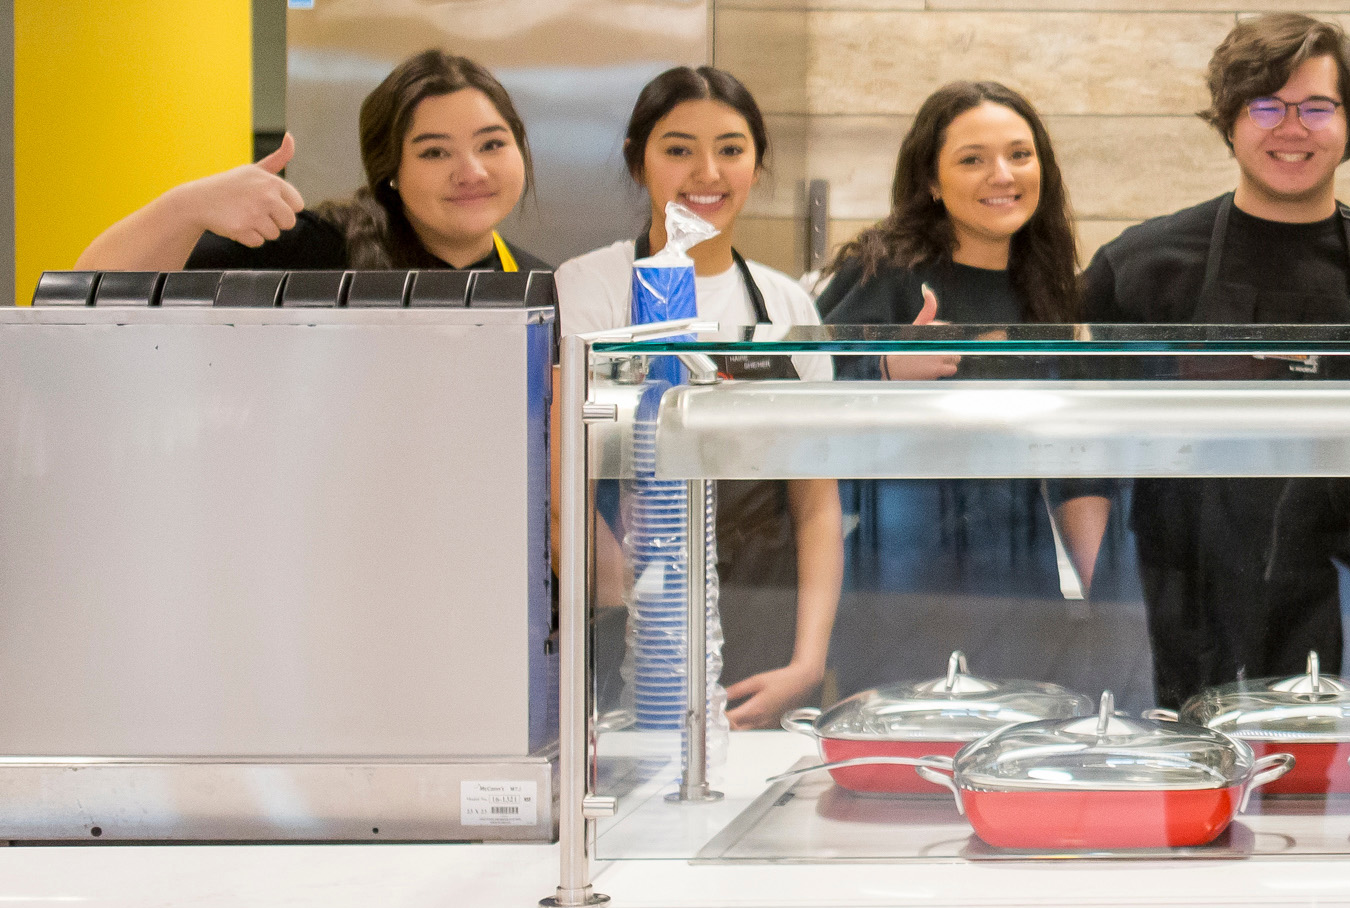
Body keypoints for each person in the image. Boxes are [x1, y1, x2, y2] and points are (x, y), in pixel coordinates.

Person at [1084, 14, 1350, 707]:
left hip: (1345, 575)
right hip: (1184, 567)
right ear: (1229, 121)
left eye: (1317, 107)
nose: (1292, 128)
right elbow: (1058, 393)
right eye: (1266, 107)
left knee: (1310, 746)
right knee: (1193, 747)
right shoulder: (1139, 266)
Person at [554, 66, 841, 729]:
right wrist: (639, 621)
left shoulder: (786, 304)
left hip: (763, 623)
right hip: (629, 622)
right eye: (679, 149)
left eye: (731, 149)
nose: (707, 173)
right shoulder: (589, 287)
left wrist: (807, 663)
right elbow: (563, 488)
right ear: (638, 162)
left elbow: (816, 502)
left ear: (757, 165)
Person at [813, 81, 1115, 690]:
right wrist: (886, 370)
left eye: (1019, 155)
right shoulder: (884, 271)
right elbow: (798, 400)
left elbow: (1075, 459)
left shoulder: (1051, 285)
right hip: (899, 577)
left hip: (1021, 577)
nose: (1002, 175)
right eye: (972, 159)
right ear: (932, 180)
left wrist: (1103, 595)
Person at [80, 48, 539, 273]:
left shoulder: (542, 285)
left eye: (492, 144)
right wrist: (186, 208)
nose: (472, 172)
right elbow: (91, 292)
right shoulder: (313, 250)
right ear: (391, 172)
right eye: (434, 152)